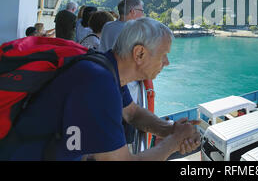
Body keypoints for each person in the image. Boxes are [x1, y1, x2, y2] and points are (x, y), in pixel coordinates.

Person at [1, 17, 200, 161]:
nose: (167, 62)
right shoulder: (97, 82)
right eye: (163, 55)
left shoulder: (106, 69)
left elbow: (132, 113)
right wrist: (175, 141)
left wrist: (170, 129)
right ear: (139, 54)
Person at [99, 0, 145, 103]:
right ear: (133, 11)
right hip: (126, 83)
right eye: (141, 11)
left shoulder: (107, 26)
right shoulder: (134, 31)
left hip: (106, 75)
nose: (142, 14)